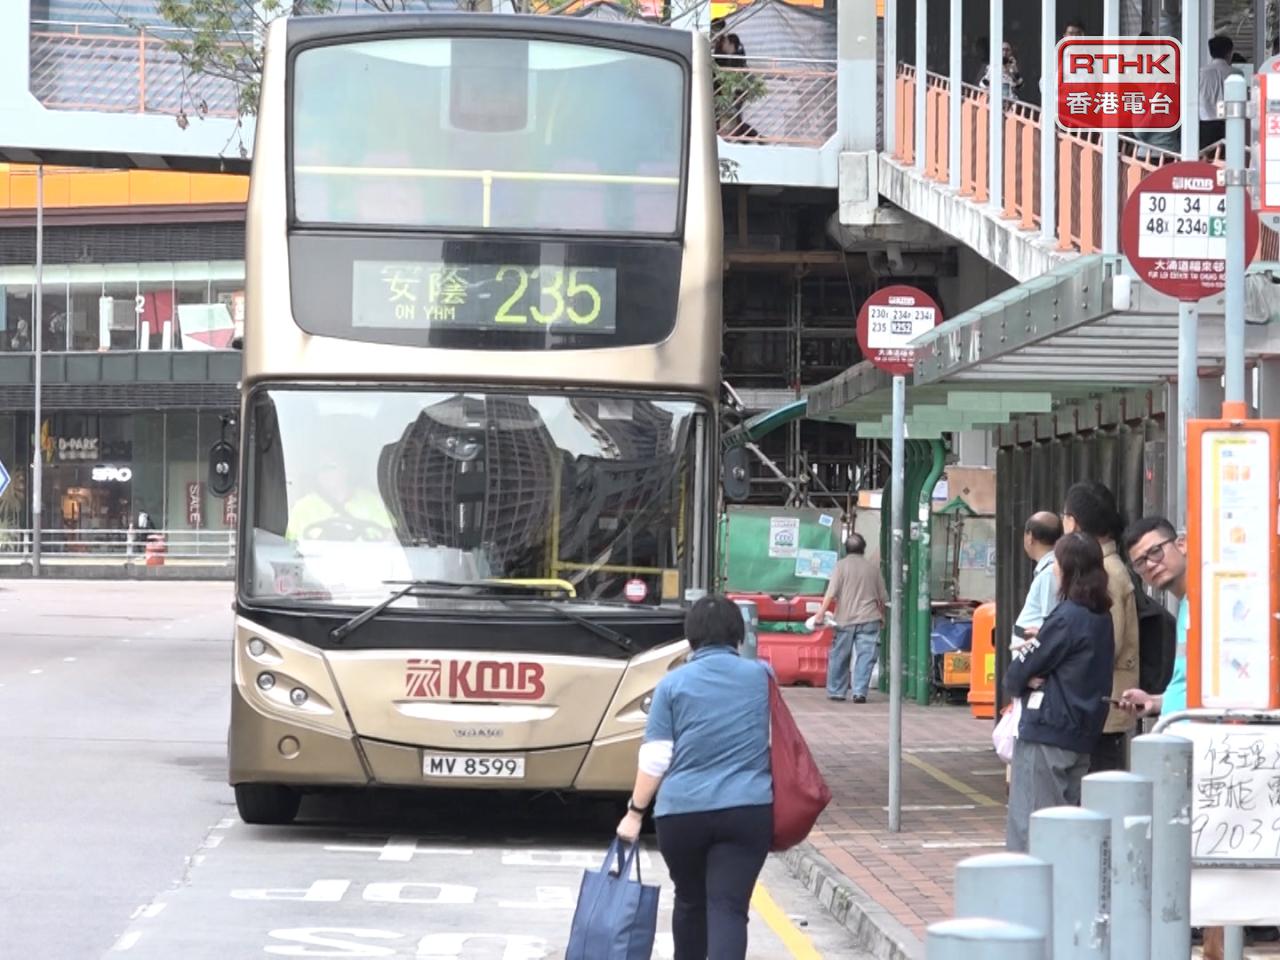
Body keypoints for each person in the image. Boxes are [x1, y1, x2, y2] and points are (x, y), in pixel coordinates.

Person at [616, 594, 772, 960]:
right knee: (729, 908)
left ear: (691, 638)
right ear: (739, 635)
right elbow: (773, 738)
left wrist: (635, 813)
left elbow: (656, 756)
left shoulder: (672, 684)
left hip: (682, 814)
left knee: (689, 901)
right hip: (748, 808)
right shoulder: (763, 678)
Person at [1004, 532, 1115, 852]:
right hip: (1082, 732)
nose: (1053, 569)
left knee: (1034, 824)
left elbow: (1019, 671)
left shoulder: (1066, 617)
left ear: (1067, 570)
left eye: (1057, 563)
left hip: (1049, 730)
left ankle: (1033, 896)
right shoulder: (1100, 616)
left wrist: (1022, 680)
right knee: (1066, 821)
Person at [1062, 482, 1138, 772]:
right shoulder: (1104, 566)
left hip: (1102, 710)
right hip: (1100, 707)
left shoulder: (1106, 573)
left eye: (1065, 516)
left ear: (1074, 522)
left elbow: (1107, 644)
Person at [806, 533, 887, 703]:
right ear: (863, 548)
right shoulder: (873, 568)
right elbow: (882, 598)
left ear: (846, 548)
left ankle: (837, 691)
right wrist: (882, 616)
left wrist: (821, 614)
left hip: (844, 620)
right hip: (869, 618)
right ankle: (859, 692)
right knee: (866, 657)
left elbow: (831, 592)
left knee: (840, 656)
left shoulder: (840, 566)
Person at [285, 458, 394, 542]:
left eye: (330, 467)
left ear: (346, 469)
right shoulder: (302, 508)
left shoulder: (374, 503)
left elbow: (394, 539)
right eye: (320, 468)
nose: (324, 472)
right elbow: (288, 548)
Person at [1013, 511, 1063, 652]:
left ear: (1030, 537)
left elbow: (1050, 624)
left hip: (1034, 657)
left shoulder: (1050, 572)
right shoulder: (1048, 569)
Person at [1200, 36, 1241, 150]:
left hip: (1205, 124)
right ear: (1230, 52)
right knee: (1228, 158)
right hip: (1229, 124)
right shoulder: (1236, 73)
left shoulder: (1200, 73)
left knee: (1205, 159)